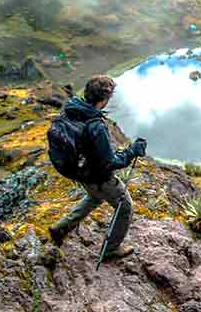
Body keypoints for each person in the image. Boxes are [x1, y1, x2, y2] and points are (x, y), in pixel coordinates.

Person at [48, 75, 146, 260]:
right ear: (104, 99)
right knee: (124, 206)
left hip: (76, 170)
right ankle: (110, 250)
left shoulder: (72, 109)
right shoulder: (96, 125)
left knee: (94, 197)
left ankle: (60, 228)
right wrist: (132, 151)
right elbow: (110, 163)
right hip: (96, 176)